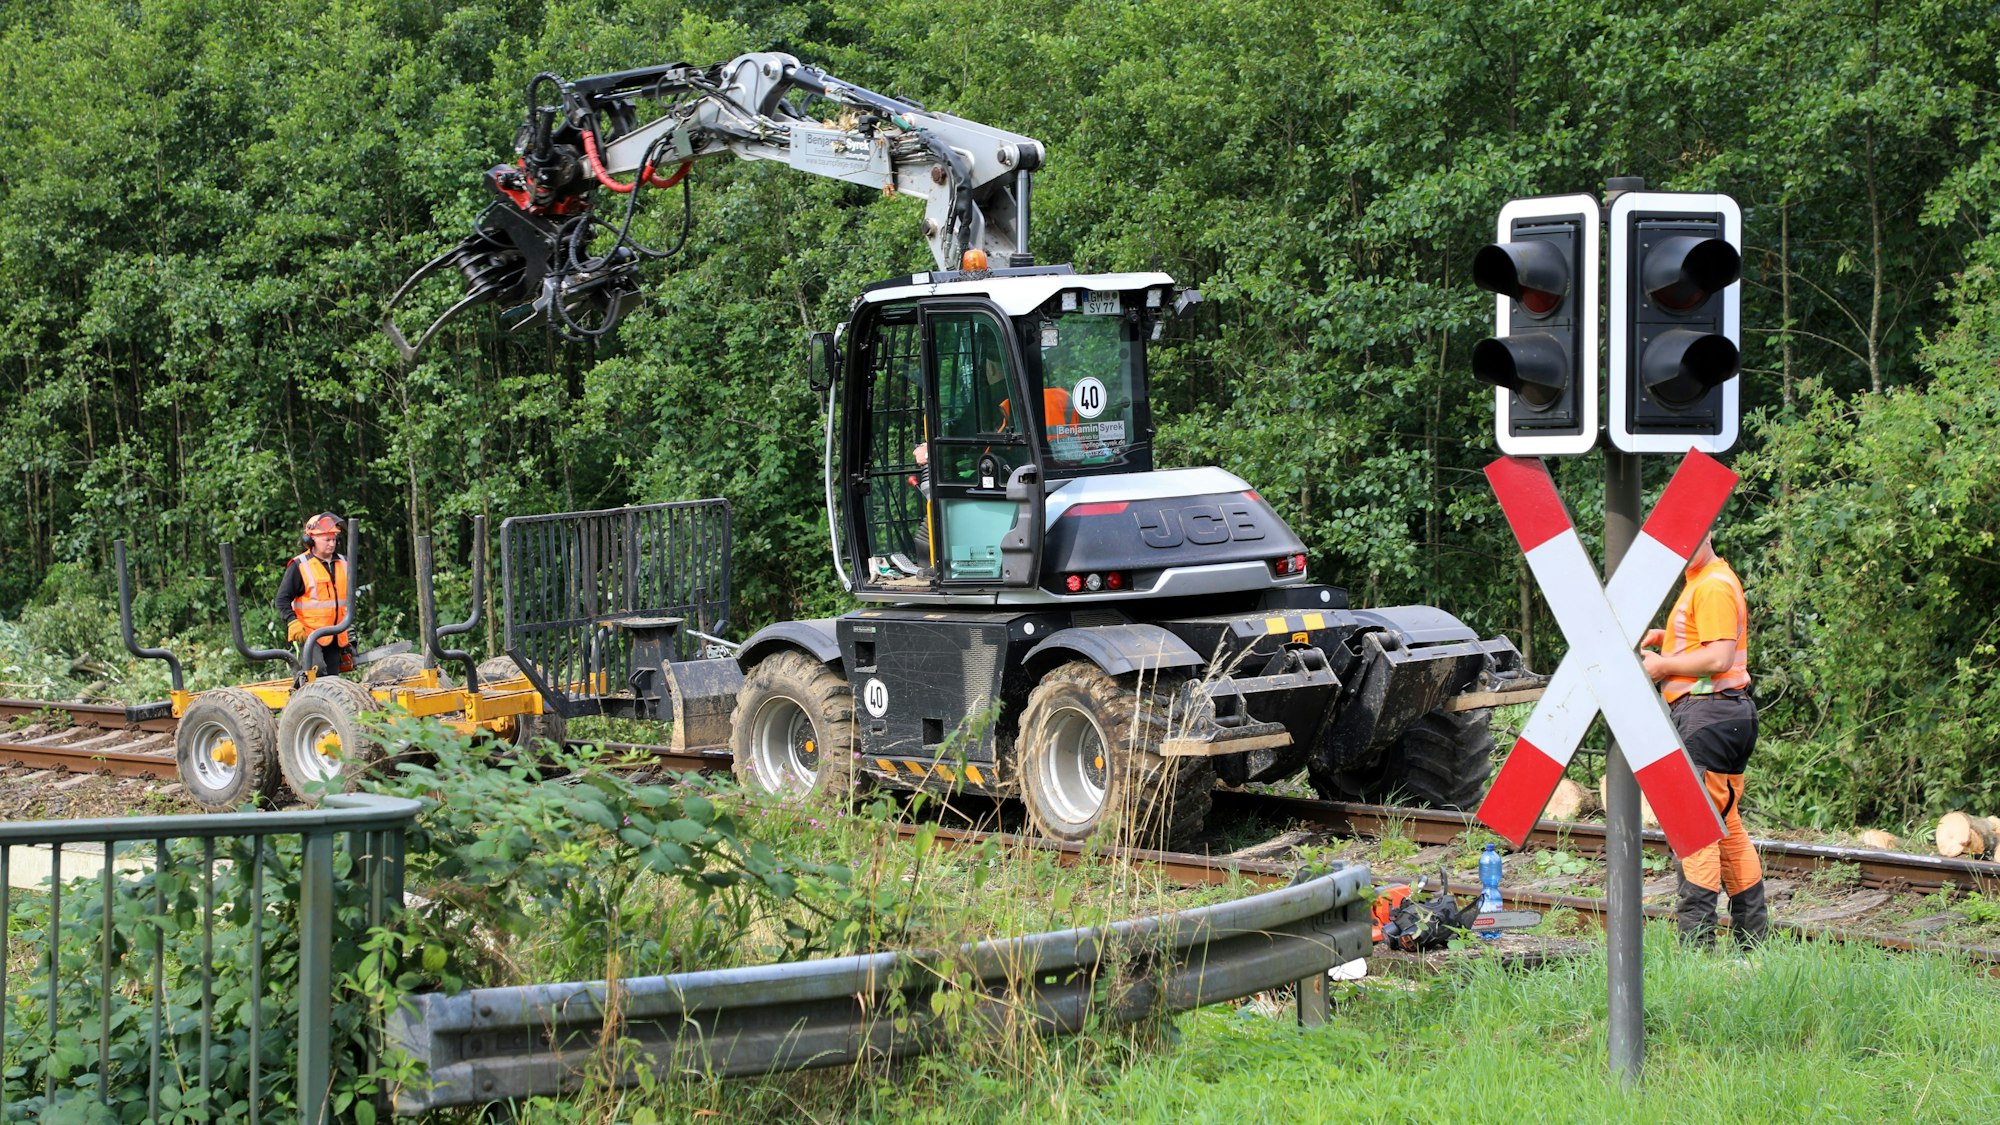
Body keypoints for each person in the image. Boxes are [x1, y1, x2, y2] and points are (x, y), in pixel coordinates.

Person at [1641, 530, 1765, 948]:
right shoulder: (1707, 578)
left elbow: (1718, 657)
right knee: (1726, 825)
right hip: (1729, 714)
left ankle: (1697, 947)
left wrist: (1662, 668)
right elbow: (1705, 642)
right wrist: (1668, 642)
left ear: (1709, 531)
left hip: (1707, 715)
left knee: (1694, 831)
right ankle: (1753, 942)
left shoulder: (1711, 585)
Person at [275, 512, 354, 676]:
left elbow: (346, 600)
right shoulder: (300, 566)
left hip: (335, 633)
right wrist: (292, 621)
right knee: (316, 672)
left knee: (332, 680)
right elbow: (282, 599)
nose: (332, 544)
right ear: (311, 540)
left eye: (334, 539)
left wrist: (349, 625)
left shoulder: (344, 563)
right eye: (327, 539)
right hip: (309, 634)